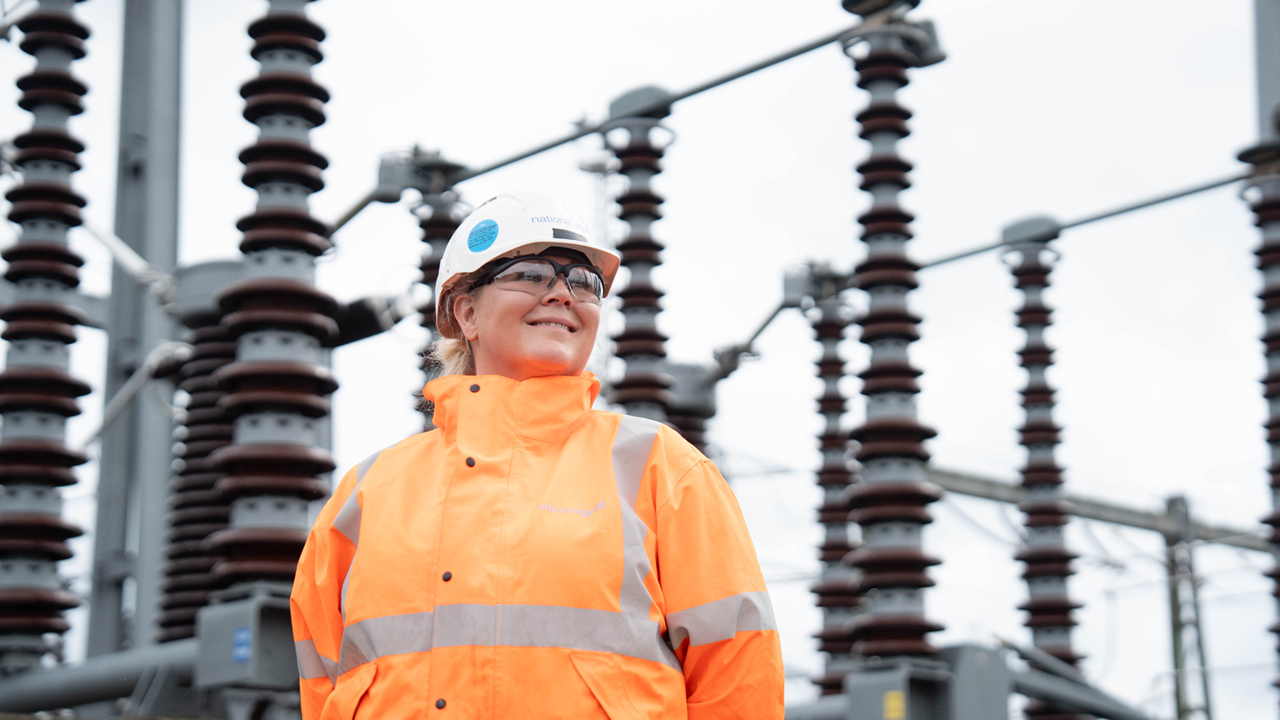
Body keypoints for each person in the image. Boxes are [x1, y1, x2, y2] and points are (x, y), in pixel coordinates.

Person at [290, 191, 784, 719]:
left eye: (584, 282)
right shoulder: (367, 493)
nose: (563, 294)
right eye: (531, 274)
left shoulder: (661, 468)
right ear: (466, 311)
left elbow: (738, 678)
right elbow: (323, 687)